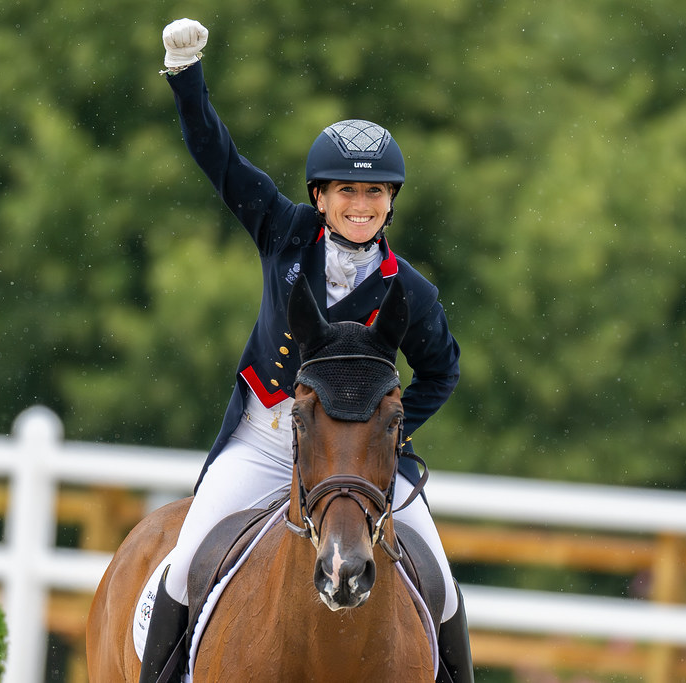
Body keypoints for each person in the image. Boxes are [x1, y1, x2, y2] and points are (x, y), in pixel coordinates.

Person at [141, 18, 473, 683]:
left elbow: (442, 370)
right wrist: (187, 79)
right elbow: (219, 158)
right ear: (319, 196)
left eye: (374, 191)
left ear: (390, 203)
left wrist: (387, 434)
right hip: (266, 439)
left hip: (361, 456)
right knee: (182, 566)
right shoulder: (285, 232)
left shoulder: (409, 290)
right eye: (347, 190)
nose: (361, 203)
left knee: (443, 583)